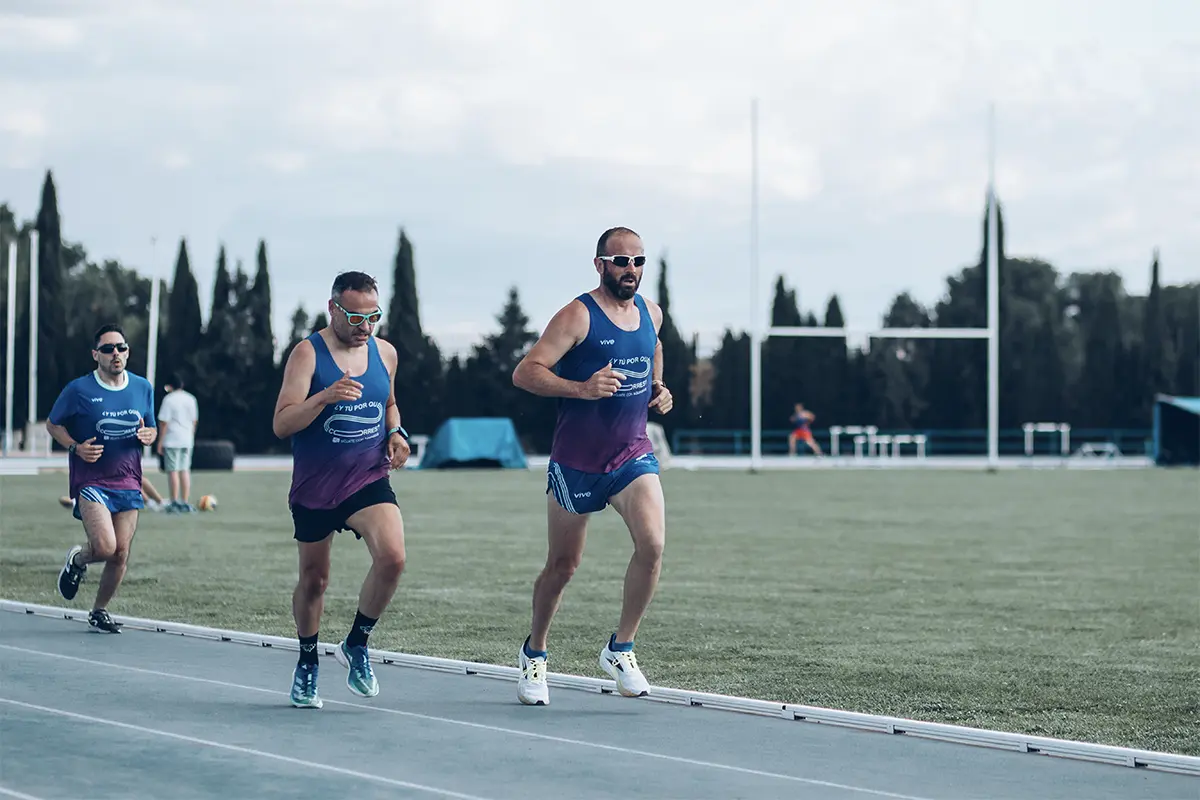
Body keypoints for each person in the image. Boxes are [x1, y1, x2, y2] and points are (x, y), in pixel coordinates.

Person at [510, 226, 673, 706]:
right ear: (600, 264)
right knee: (563, 566)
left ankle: (621, 648)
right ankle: (535, 653)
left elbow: (653, 346)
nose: (631, 271)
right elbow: (526, 372)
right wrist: (581, 388)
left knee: (653, 544)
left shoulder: (651, 312)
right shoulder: (577, 315)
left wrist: (658, 387)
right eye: (621, 261)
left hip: (631, 453)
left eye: (639, 261)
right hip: (577, 461)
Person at [272, 270, 410, 710]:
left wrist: (398, 434)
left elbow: (388, 403)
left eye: (373, 317)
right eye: (354, 317)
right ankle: (308, 658)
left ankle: (356, 643)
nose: (364, 327)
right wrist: (324, 398)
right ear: (332, 308)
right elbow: (282, 423)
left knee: (393, 557)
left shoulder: (385, 353)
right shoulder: (306, 354)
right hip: (315, 486)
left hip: (367, 477)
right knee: (315, 581)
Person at [45, 323, 158, 633]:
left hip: (128, 480)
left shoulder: (142, 387)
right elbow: (53, 425)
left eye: (121, 347)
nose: (116, 354)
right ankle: (78, 561)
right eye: (108, 349)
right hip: (92, 481)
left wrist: (151, 434)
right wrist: (75, 447)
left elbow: (149, 426)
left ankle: (99, 610)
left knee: (121, 552)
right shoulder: (79, 390)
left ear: (128, 351)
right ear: (96, 355)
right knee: (106, 547)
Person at [157, 372, 200, 512]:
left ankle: (174, 501)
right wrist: (191, 436)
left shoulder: (169, 399)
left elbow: (164, 422)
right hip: (187, 439)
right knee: (185, 469)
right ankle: (185, 501)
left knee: (173, 470)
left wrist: (160, 442)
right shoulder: (191, 399)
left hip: (172, 439)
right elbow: (194, 420)